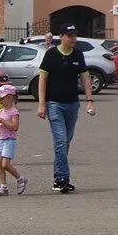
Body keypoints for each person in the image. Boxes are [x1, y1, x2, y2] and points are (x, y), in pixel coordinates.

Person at [36, 24, 95, 193]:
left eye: (75, 35)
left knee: (65, 143)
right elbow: (42, 79)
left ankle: (57, 178)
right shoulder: (51, 54)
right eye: (70, 35)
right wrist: (41, 104)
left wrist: (89, 100)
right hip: (54, 104)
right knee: (60, 141)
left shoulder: (78, 55)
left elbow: (85, 77)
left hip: (72, 104)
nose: (73, 38)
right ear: (61, 36)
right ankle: (63, 179)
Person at [0, 85, 27, 197]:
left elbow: (15, 127)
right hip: (1, 140)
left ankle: (20, 179)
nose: (0, 101)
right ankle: (3, 187)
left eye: (2, 98)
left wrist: (1, 121)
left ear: (10, 97)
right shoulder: (1, 111)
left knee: (5, 164)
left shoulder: (13, 112)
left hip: (9, 140)